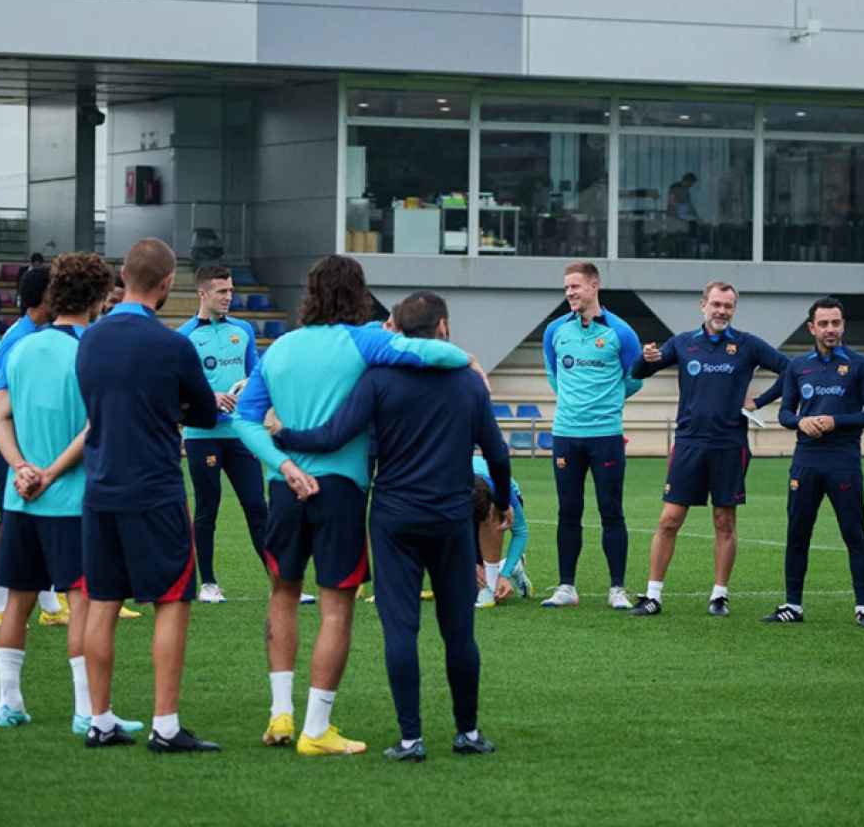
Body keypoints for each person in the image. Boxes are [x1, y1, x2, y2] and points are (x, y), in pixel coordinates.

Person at [232, 254, 477, 757]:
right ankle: (316, 728)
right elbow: (441, 356)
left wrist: (284, 467)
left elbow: (245, 422)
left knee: (282, 593)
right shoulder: (365, 339)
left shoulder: (278, 348)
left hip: (286, 488)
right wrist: (459, 357)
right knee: (335, 606)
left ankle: (281, 712)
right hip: (340, 489)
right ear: (358, 293)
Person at [273, 290, 508, 761]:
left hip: (395, 518)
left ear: (397, 330)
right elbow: (497, 451)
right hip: (450, 518)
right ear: (443, 328)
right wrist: (501, 500)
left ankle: (410, 738)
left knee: (401, 631)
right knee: (459, 631)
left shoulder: (378, 378)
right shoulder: (467, 382)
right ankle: (467, 733)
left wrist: (283, 434)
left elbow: (335, 434)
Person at [73, 238, 220, 753]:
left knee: (102, 602)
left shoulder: (89, 340)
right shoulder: (172, 345)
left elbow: (94, 401)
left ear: (123, 278)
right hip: (155, 487)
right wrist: (171, 409)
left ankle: (100, 718)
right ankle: (165, 724)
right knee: (173, 600)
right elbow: (204, 413)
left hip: (100, 485)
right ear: (167, 283)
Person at [0, 251, 139, 734]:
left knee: (18, 600)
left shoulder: (21, 348)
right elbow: (95, 425)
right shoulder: (93, 350)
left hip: (20, 497)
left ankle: (8, 703)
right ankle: (84, 711)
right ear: (99, 297)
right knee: (83, 599)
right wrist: (49, 473)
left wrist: (19, 467)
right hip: (71, 499)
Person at [626, 281, 788, 617]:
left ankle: (719, 596)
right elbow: (639, 371)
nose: (721, 311)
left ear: (734, 309)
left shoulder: (747, 345)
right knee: (669, 519)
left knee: (724, 520)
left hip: (730, 445)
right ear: (703, 305)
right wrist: (644, 358)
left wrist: (760, 400)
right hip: (689, 443)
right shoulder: (684, 344)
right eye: (716, 304)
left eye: (727, 306)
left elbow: (792, 371)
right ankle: (653, 594)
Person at [762, 296, 864, 627]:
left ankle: (863, 606)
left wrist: (836, 421)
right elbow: (785, 412)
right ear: (811, 328)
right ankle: (793, 605)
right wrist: (799, 422)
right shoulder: (797, 367)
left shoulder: (861, 366)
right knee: (797, 532)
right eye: (824, 324)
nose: (830, 329)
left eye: (836, 323)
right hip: (806, 460)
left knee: (853, 532)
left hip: (843, 459)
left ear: (843, 325)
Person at [539, 262, 643, 611]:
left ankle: (617, 588)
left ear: (594, 286)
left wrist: (605, 402)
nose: (570, 293)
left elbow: (635, 378)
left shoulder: (621, 332)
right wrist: (574, 403)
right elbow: (554, 375)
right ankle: (566, 586)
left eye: (576, 286)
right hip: (566, 434)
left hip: (606, 436)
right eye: (566, 287)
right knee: (568, 511)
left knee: (611, 511)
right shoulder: (555, 330)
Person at [0, 264, 71, 628]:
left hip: (39, 438)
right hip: (16, 444)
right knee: (11, 522)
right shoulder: (18, 339)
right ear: (45, 297)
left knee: (44, 518)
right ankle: (0, 604)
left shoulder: (45, 334)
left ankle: (52, 604)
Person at [177, 265, 269, 603]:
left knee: (258, 506)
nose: (229, 297)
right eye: (221, 292)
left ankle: (281, 581)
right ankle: (209, 584)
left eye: (230, 291)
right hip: (202, 435)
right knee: (208, 508)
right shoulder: (183, 336)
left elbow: (256, 373)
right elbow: (176, 389)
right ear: (203, 293)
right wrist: (209, 398)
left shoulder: (243, 330)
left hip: (240, 434)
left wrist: (247, 389)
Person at [472, 456, 530, 607]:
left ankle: (491, 589)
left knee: (493, 519)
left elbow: (520, 532)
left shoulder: (502, 490)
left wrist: (504, 575)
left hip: (497, 503)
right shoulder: (444, 487)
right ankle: (514, 566)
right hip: (464, 500)